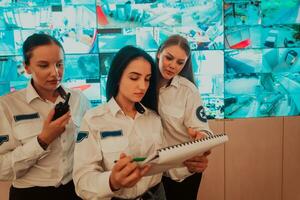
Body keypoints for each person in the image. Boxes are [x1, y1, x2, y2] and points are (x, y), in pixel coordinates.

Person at [0, 33, 90, 200]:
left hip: (74, 190)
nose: (55, 73)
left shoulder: (79, 99)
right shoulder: (7, 106)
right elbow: (2, 169)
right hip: (29, 194)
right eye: (43, 65)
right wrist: (42, 140)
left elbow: (89, 147)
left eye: (59, 64)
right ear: (27, 67)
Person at [73, 45, 168, 200]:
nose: (143, 86)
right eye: (134, 78)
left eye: (147, 79)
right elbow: (82, 180)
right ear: (117, 78)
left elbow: (164, 163)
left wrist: (189, 164)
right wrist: (112, 181)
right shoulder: (93, 120)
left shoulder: (154, 118)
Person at [156, 35, 213, 200]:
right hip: (152, 177)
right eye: (169, 58)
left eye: (180, 62)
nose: (173, 66)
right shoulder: (144, 86)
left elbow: (204, 130)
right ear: (159, 53)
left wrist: (202, 141)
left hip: (181, 174)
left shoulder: (188, 91)